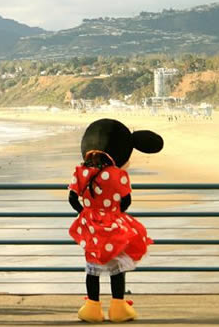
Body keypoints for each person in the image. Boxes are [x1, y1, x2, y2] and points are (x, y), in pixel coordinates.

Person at [68, 119, 163, 323]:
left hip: (90, 226)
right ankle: (118, 308)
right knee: (117, 268)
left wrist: (87, 212)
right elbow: (126, 201)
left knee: (92, 268)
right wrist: (111, 212)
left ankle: (92, 309)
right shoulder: (118, 175)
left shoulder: (80, 172)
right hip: (113, 225)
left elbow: (72, 199)